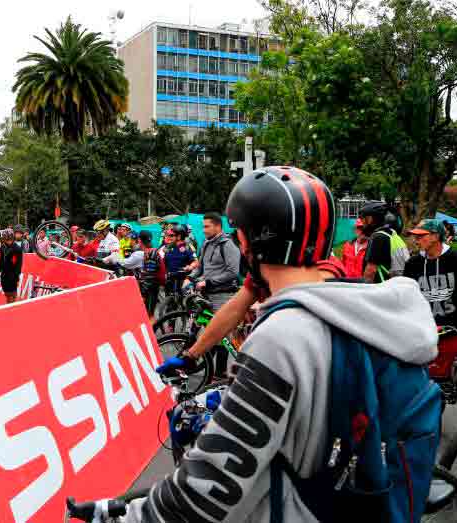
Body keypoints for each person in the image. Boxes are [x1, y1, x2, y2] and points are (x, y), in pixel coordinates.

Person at [122, 166, 438, 523]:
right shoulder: (329, 282)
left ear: (249, 242)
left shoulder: (282, 336)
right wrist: (192, 354)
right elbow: (236, 307)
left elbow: (211, 486)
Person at [184, 212, 241, 311]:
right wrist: (189, 278)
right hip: (205, 294)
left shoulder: (228, 244)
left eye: (207, 227)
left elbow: (233, 272)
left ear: (218, 226)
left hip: (223, 296)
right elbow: (200, 267)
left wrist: (208, 282)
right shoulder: (206, 243)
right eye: (203, 227)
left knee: (221, 326)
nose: (203, 230)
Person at [360, 201, 409, 283]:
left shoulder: (378, 237)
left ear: (374, 219)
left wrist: (364, 291)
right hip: (396, 286)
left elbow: (370, 271)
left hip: (381, 289)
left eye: (366, 218)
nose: (363, 223)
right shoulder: (392, 235)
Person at [0, 229, 23, 303]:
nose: (9, 241)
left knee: (13, 295)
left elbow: (19, 265)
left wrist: (17, 278)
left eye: (10, 239)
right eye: (7, 240)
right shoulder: (3, 247)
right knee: (8, 295)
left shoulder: (17, 249)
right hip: (4, 275)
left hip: (13, 275)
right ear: (4, 239)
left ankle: (11, 310)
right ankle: (9, 308)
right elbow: (1, 261)